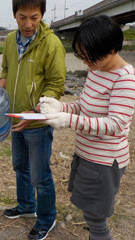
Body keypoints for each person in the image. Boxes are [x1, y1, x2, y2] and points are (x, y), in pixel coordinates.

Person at [40, 15, 135, 240]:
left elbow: (116, 124)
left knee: (95, 217)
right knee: (89, 211)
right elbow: (84, 105)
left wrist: (67, 120)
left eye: (90, 56)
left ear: (112, 48)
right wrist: (60, 106)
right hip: (87, 154)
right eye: (82, 56)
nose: (86, 62)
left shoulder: (125, 79)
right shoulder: (96, 69)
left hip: (104, 160)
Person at [0, 0, 66, 239]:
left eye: (34, 18)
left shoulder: (51, 44)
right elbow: (5, 70)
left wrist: (35, 112)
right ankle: (27, 206)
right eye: (22, 17)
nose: (28, 24)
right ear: (14, 15)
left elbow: (56, 84)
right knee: (20, 167)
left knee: (40, 175)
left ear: (42, 15)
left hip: (37, 122)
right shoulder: (9, 40)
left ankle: (47, 218)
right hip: (15, 118)